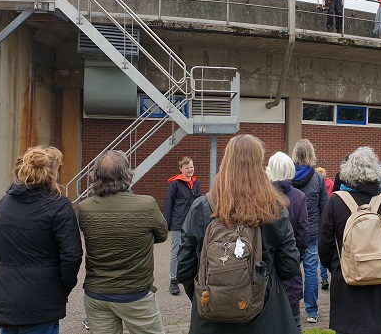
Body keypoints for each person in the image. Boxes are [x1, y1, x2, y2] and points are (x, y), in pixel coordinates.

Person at [177, 135, 300, 333]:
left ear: (226, 163)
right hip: (265, 315)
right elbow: (290, 268)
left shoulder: (201, 207)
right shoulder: (274, 209)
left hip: (210, 315)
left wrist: (209, 295)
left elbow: (184, 267)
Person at [0, 146, 82, 334]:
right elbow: (71, 256)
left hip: (5, 297)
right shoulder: (59, 205)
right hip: (41, 301)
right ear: (53, 172)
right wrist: (64, 285)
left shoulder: (5, 203)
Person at [78, 150, 168, 333]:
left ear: (96, 176)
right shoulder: (147, 204)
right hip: (136, 293)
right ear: (126, 174)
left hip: (97, 294)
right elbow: (162, 235)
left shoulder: (84, 208)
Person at [319, 146, 381, 334]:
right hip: (380, 285)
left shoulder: (336, 201)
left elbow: (324, 245)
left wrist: (337, 266)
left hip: (347, 284)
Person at [267, 151, 309, 334]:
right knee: (294, 323)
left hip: (266, 268)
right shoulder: (299, 197)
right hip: (290, 267)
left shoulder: (260, 196)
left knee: (268, 323)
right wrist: (296, 259)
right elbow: (303, 235)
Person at [291, 139, 329, 323]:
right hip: (312, 232)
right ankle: (312, 312)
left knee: (289, 269)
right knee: (312, 271)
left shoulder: (286, 175)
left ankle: (289, 308)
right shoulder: (318, 178)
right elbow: (325, 207)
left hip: (289, 232)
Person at [163, 156, 201, 295]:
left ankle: (191, 275)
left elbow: (199, 202)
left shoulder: (196, 183)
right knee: (176, 251)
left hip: (192, 223)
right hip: (178, 223)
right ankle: (174, 280)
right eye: (187, 167)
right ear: (181, 169)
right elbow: (168, 204)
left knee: (193, 249)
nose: (190, 169)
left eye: (191, 167)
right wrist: (166, 224)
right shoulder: (175, 184)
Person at [315, 166, 333, 289]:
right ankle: (326, 275)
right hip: (327, 219)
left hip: (316, 221)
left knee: (315, 252)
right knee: (324, 248)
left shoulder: (315, 185)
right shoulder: (331, 184)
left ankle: (324, 278)